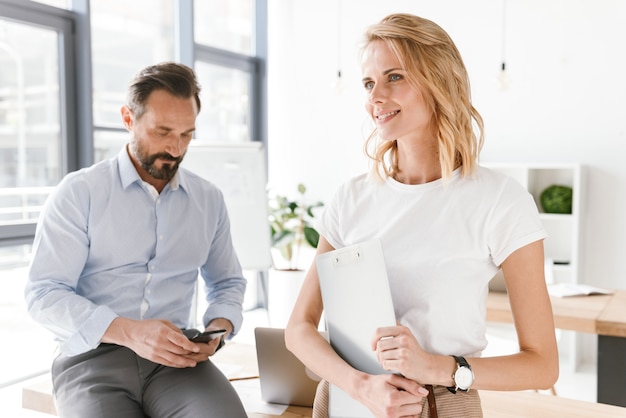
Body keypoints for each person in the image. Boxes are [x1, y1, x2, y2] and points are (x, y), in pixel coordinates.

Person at [285, 13, 558, 418]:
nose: (375, 97)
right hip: (348, 399)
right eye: (368, 83)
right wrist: (362, 387)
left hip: (442, 403)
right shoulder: (352, 198)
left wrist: (437, 367)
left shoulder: (500, 200)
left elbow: (542, 364)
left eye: (394, 76)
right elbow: (299, 329)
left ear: (439, 82)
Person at [25, 62, 248, 418]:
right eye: (162, 132)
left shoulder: (208, 200)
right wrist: (128, 332)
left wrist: (218, 330)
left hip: (176, 363)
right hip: (91, 360)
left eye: (187, 134)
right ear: (128, 118)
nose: (175, 149)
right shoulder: (80, 193)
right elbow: (44, 293)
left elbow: (227, 282)